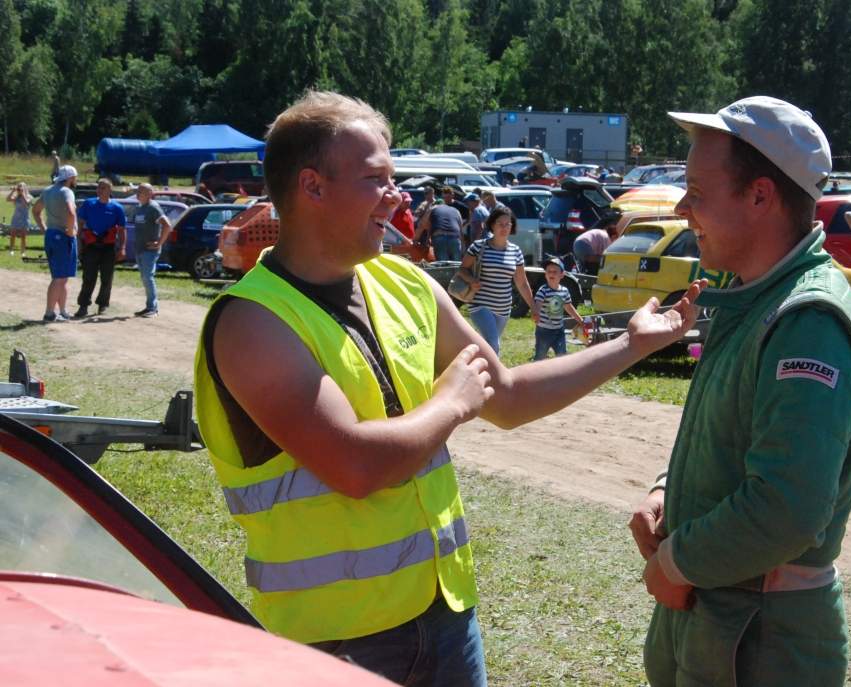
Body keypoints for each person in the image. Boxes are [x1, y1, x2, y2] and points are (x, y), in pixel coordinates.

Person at [193, 91, 700, 687]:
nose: (399, 195)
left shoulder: (405, 283)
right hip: (334, 640)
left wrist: (632, 345)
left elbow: (507, 397)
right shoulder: (253, 322)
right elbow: (354, 466)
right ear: (312, 187)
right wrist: (452, 403)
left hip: (446, 617)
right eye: (377, 179)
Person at [628, 96, 851, 687]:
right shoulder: (758, 300)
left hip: (761, 642)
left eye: (696, 191)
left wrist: (678, 560)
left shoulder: (808, 323)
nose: (683, 208)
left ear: (761, 196)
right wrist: (670, 491)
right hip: (728, 629)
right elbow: (732, 437)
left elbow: (787, 506)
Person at [462, 206, 536, 355]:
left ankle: (477, 364)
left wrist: (533, 307)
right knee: (494, 345)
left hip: (503, 309)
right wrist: (471, 280)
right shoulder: (478, 246)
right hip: (480, 305)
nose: (504, 227)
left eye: (508, 224)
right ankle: (496, 371)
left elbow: (522, 282)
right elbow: (462, 269)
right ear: (492, 225)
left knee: (488, 346)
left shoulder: (516, 251)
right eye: (500, 224)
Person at [74, 178, 126, 317]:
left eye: (103, 188)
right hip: (91, 246)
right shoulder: (89, 204)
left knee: (107, 278)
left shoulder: (117, 208)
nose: (99, 190)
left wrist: (122, 248)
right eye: (98, 187)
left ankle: (103, 305)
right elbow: (80, 224)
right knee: (88, 277)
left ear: (110, 190)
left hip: (108, 247)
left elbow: (122, 230)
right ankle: (83, 306)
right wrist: (78, 243)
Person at [33, 165, 78, 322]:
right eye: (75, 177)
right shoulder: (67, 192)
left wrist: (45, 229)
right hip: (63, 238)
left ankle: (62, 311)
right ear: (70, 178)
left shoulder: (47, 191)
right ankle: (49, 313)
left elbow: (36, 211)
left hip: (51, 235)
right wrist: (71, 231)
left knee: (62, 277)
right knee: (59, 278)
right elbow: (71, 212)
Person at [533, 256, 585, 360]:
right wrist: (536, 313)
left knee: (562, 356)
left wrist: (580, 320)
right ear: (545, 274)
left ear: (562, 275)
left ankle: (560, 370)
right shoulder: (543, 290)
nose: (551, 274)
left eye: (555, 272)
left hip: (559, 330)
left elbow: (569, 307)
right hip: (543, 331)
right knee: (540, 357)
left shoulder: (564, 291)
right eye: (549, 271)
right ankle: (538, 369)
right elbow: (538, 303)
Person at [133, 183, 172, 317]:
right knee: (145, 278)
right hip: (140, 249)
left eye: (141, 191)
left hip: (149, 250)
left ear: (150, 194)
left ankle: (153, 309)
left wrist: (159, 243)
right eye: (137, 191)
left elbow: (167, 225)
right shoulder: (140, 208)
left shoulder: (153, 208)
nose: (138, 194)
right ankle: (149, 306)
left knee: (148, 277)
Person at [415, 189, 463, 261]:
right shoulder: (455, 210)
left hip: (440, 238)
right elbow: (461, 230)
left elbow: (422, 225)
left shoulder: (433, 208)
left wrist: (415, 240)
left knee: (443, 265)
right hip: (455, 238)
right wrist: (463, 247)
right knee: (456, 264)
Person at [6, 182, 33, 256]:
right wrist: (13, 191)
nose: (19, 189)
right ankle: (11, 250)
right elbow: (8, 199)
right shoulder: (16, 197)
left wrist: (23, 194)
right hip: (16, 218)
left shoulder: (29, 196)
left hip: (25, 218)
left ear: (25, 188)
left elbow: (26, 203)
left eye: (21, 187)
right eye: (19, 187)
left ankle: (23, 252)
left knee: (23, 236)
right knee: (12, 235)